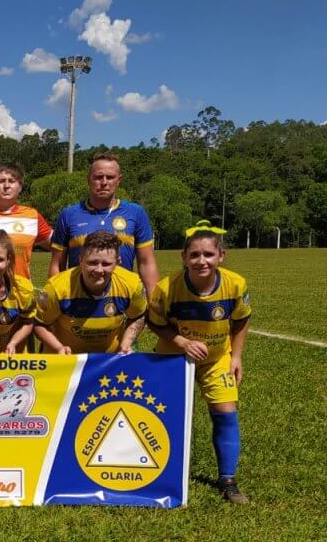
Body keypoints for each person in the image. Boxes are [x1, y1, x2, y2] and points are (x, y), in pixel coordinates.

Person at [147, 224, 252, 503]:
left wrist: (236, 356)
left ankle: (228, 480)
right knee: (164, 414)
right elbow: (154, 324)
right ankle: (158, 471)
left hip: (216, 359)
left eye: (208, 254)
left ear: (221, 256)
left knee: (225, 411)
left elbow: (241, 321)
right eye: (194, 255)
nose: (201, 261)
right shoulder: (167, 288)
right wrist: (182, 342)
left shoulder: (235, 284)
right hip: (173, 356)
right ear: (184, 257)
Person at [48, 153, 159, 296]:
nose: (104, 182)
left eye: (110, 177)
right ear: (89, 180)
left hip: (122, 298)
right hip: (77, 299)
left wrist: (155, 304)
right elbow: (57, 264)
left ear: (119, 180)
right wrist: (54, 298)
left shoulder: (136, 213)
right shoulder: (69, 214)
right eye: (98, 177)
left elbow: (146, 262)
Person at [35, 230, 147, 355]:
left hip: (109, 359)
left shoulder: (132, 284)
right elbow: (39, 323)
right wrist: (58, 348)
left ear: (118, 262)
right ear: (81, 259)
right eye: (92, 263)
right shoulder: (56, 288)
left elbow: (138, 315)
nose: (99, 270)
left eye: (106, 264)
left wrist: (126, 344)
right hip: (67, 360)